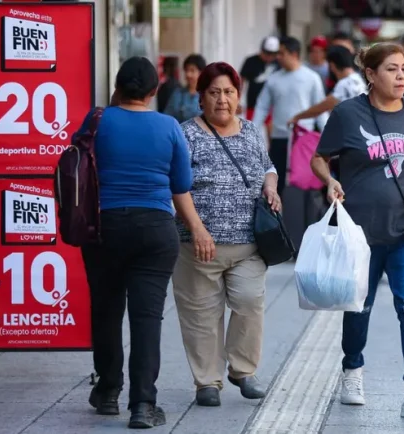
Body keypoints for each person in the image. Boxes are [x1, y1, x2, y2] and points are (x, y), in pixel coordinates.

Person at [310, 42, 404, 418]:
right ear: (370, 74)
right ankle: (352, 370)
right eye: (391, 69)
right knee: (359, 306)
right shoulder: (348, 114)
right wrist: (330, 181)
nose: (401, 76)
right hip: (361, 234)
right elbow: (319, 157)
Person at [79, 56, 193, 429]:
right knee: (147, 319)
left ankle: (108, 391)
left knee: (106, 311)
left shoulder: (97, 120)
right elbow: (180, 185)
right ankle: (143, 405)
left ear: (117, 85)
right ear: (154, 90)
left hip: (103, 226)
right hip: (156, 230)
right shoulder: (169, 126)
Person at [171, 62, 281, 407]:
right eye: (214, 92)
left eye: (229, 92)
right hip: (198, 246)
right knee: (201, 313)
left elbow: (268, 166)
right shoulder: (185, 133)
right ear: (201, 97)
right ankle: (207, 381)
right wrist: (197, 228)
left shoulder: (250, 130)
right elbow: (176, 184)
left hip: (249, 243)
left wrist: (271, 187)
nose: (222, 100)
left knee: (249, 302)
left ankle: (243, 370)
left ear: (239, 95)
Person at [253, 36, 328, 196]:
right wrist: (252, 131)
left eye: (281, 53)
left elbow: (320, 109)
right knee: (276, 183)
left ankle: (303, 218)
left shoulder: (311, 78)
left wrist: (328, 137)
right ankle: (278, 217)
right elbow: (262, 107)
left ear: (294, 54)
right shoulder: (273, 79)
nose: (277, 57)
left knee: (304, 185)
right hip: (279, 139)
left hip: (303, 141)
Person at [289, 46, 366, 124]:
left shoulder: (345, 83)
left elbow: (323, 107)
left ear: (332, 65)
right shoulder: (357, 79)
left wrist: (297, 117)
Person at [239, 36, 280, 132]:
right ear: (261, 50)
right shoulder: (251, 61)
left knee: (272, 131)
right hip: (253, 103)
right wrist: (237, 100)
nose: (269, 57)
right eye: (267, 53)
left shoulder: (279, 63)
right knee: (251, 130)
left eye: (273, 54)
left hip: (272, 105)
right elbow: (241, 81)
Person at [165, 54, 207, 123]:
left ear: (201, 73)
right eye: (186, 70)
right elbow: (167, 117)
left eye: (192, 70)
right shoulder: (177, 94)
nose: (188, 74)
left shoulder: (207, 95)